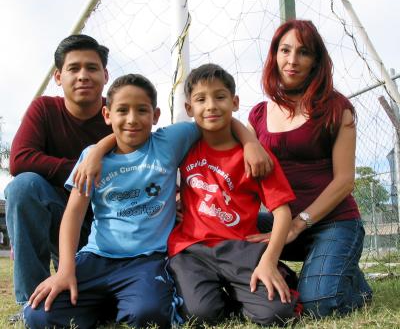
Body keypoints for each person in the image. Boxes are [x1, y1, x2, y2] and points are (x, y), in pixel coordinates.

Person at [24, 73, 273, 329]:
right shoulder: (91, 159)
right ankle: (107, 303)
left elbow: (214, 118)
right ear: (107, 115)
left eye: (141, 110)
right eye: (122, 110)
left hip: (147, 259)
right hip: (98, 257)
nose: (132, 119)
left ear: (155, 115)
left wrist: (251, 141)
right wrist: (65, 270)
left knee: (149, 315)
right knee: (39, 316)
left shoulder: (168, 142)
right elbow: (74, 215)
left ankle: (121, 302)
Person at [246, 19, 373, 318]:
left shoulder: (337, 108)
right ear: (274, 54)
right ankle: (328, 269)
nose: (292, 60)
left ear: (316, 60)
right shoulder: (259, 114)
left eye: (303, 52)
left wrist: (299, 223)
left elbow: (344, 181)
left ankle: (357, 286)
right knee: (229, 230)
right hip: (283, 223)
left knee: (318, 305)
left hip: (334, 222)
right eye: (285, 50)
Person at [167, 63, 300, 326]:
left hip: (239, 248)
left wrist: (270, 261)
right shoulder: (183, 146)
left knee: (275, 315)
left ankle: (275, 278)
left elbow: (282, 213)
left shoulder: (255, 157)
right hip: (191, 249)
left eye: (220, 97)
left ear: (235, 102)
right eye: (201, 99)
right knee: (201, 315)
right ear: (189, 109)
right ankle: (221, 294)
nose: (211, 106)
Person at [4, 34, 112, 321]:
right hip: (60, 220)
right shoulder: (44, 109)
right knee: (23, 186)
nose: (83, 76)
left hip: (109, 225)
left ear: (105, 74)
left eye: (91, 68)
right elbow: (20, 159)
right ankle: (30, 301)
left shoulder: (119, 113)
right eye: (73, 68)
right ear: (58, 76)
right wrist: (84, 166)